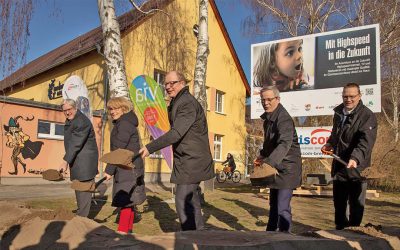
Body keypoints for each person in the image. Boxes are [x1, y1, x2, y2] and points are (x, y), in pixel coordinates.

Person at [139, 70, 214, 231]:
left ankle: (189, 238)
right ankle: (199, 237)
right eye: (165, 83)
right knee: (191, 201)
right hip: (186, 159)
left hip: (192, 160)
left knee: (182, 199)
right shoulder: (177, 102)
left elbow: (176, 133)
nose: (167, 87)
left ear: (182, 83)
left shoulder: (186, 103)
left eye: (171, 83)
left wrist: (149, 148)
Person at [321, 83, 377, 230]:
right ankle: (339, 232)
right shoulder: (339, 112)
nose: (348, 99)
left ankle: (354, 234)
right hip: (339, 166)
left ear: (359, 96)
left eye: (352, 96)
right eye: (345, 96)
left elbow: (366, 142)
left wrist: (355, 158)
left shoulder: (367, 116)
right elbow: (335, 134)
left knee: (356, 206)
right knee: (339, 205)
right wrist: (330, 144)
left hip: (357, 168)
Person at [254, 86, 302, 232]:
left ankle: (284, 240)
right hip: (276, 167)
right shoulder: (269, 118)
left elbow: (284, 143)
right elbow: (270, 143)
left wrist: (268, 163)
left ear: (278, 99)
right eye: (263, 100)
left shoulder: (284, 119)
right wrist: (262, 154)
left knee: (282, 208)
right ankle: (268, 238)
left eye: (269, 99)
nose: (266, 103)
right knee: (274, 207)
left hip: (287, 169)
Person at [103, 97, 146, 235]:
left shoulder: (124, 124)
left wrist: (109, 170)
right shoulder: (125, 123)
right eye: (110, 109)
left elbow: (119, 150)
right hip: (129, 166)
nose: (112, 111)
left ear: (124, 108)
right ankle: (127, 231)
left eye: (116, 108)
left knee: (126, 201)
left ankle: (122, 232)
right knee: (129, 201)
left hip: (127, 167)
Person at [59, 99, 99, 217]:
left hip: (85, 164)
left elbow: (76, 143)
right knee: (79, 191)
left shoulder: (82, 121)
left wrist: (65, 161)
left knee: (84, 192)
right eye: (64, 110)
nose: (67, 113)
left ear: (75, 108)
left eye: (69, 109)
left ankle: (82, 224)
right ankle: (81, 218)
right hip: (78, 162)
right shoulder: (72, 120)